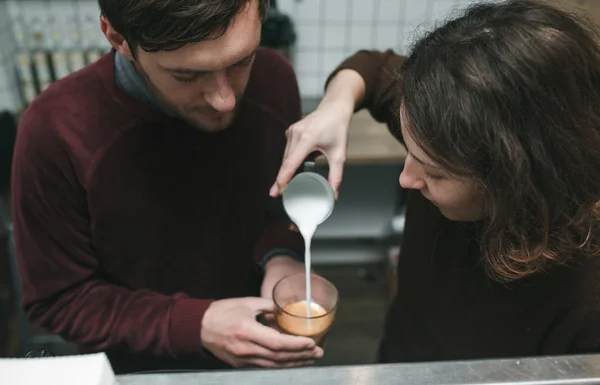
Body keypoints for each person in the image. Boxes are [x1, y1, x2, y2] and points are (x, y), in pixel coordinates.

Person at [272, 0, 600, 362]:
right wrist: (335, 106)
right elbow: (372, 67)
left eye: (435, 172)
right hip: (401, 356)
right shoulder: (443, 114)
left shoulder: (586, 291)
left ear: (514, 181)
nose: (405, 178)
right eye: (409, 152)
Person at [11, 0, 324, 374]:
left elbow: (274, 208)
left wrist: (282, 259)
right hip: (141, 371)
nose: (224, 100)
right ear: (117, 38)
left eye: (242, 60)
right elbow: (59, 299)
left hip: (264, 360)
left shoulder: (275, 79)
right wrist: (195, 325)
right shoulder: (56, 130)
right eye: (187, 76)